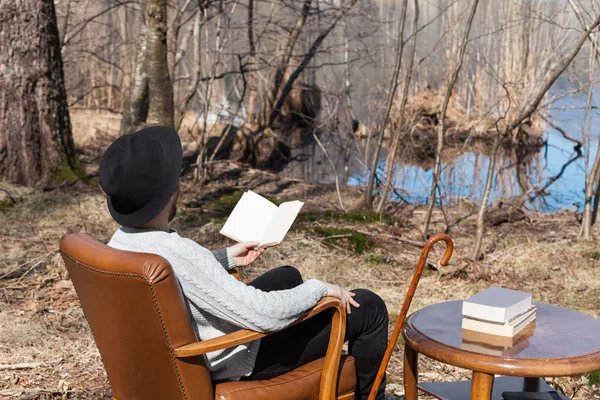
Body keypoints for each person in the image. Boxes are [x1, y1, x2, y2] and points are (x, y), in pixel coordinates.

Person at [99, 126, 397, 400]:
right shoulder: (175, 251)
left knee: (286, 275)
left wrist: (226, 257)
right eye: (174, 178)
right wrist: (320, 289)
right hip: (232, 357)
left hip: (186, 345)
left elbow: (173, 278)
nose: (178, 181)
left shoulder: (121, 241)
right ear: (167, 193)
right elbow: (262, 314)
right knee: (368, 307)